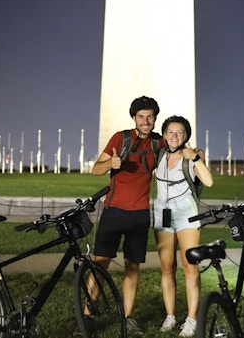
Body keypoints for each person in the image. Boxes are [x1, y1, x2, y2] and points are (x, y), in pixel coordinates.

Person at [86, 96, 164, 336]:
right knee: (100, 264)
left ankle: (127, 318)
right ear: (134, 118)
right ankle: (88, 316)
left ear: (154, 119)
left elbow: (179, 150)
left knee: (132, 267)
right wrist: (111, 162)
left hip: (139, 215)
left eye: (150, 116)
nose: (146, 121)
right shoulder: (121, 138)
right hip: (114, 211)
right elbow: (95, 170)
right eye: (141, 116)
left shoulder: (158, 142)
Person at [153, 115, 213, 337]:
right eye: (170, 132)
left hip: (187, 213)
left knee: (190, 266)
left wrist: (196, 158)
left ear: (186, 135)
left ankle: (192, 319)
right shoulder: (159, 154)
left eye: (180, 132)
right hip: (162, 213)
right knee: (167, 267)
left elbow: (208, 181)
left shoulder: (191, 157)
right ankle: (170, 316)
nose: (175, 136)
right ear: (164, 135)